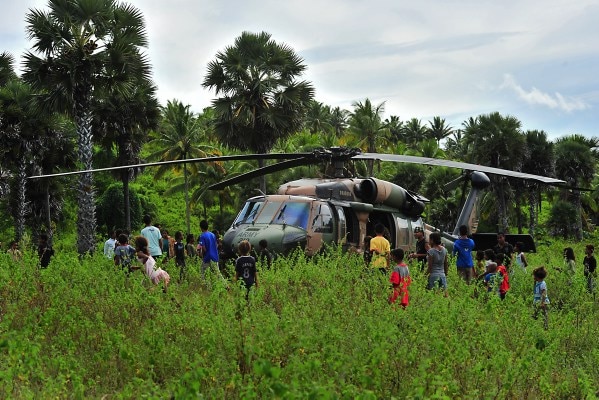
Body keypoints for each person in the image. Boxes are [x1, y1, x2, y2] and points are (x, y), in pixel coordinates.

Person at [198, 220, 226, 284]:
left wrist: (203, 256)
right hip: (214, 256)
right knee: (217, 272)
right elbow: (216, 245)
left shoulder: (202, 236)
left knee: (203, 272)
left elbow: (204, 248)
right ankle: (225, 285)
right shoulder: (212, 235)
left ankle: (206, 286)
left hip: (207, 257)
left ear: (201, 227)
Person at [426, 232, 448, 296]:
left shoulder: (431, 251)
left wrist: (425, 275)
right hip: (442, 275)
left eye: (429, 239)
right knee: (444, 295)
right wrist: (446, 274)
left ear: (432, 240)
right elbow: (445, 263)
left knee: (434, 295)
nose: (428, 241)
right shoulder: (444, 250)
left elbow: (430, 267)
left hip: (433, 275)